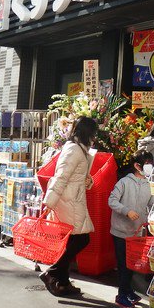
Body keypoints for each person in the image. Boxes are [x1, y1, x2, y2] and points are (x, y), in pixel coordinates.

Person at [41, 116, 97, 298]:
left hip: (72, 199)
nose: (95, 137)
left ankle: (63, 282)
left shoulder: (77, 148)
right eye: (94, 133)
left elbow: (72, 177)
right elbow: (60, 177)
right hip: (69, 201)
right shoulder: (74, 150)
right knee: (81, 239)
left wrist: (87, 180)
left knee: (72, 240)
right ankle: (53, 272)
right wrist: (49, 202)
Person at [109, 150, 154, 308]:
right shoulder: (124, 183)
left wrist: (150, 220)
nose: (150, 167)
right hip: (120, 231)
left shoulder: (149, 184)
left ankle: (128, 290)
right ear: (137, 165)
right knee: (124, 264)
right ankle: (121, 295)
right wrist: (126, 210)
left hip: (137, 233)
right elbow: (112, 201)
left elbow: (151, 205)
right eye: (147, 164)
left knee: (133, 263)